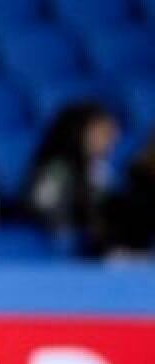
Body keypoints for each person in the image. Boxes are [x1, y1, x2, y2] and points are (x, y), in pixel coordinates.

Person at [26, 102, 121, 256]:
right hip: (60, 243)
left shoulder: (102, 169)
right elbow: (42, 206)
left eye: (111, 134)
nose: (112, 139)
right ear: (80, 133)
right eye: (103, 133)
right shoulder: (56, 169)